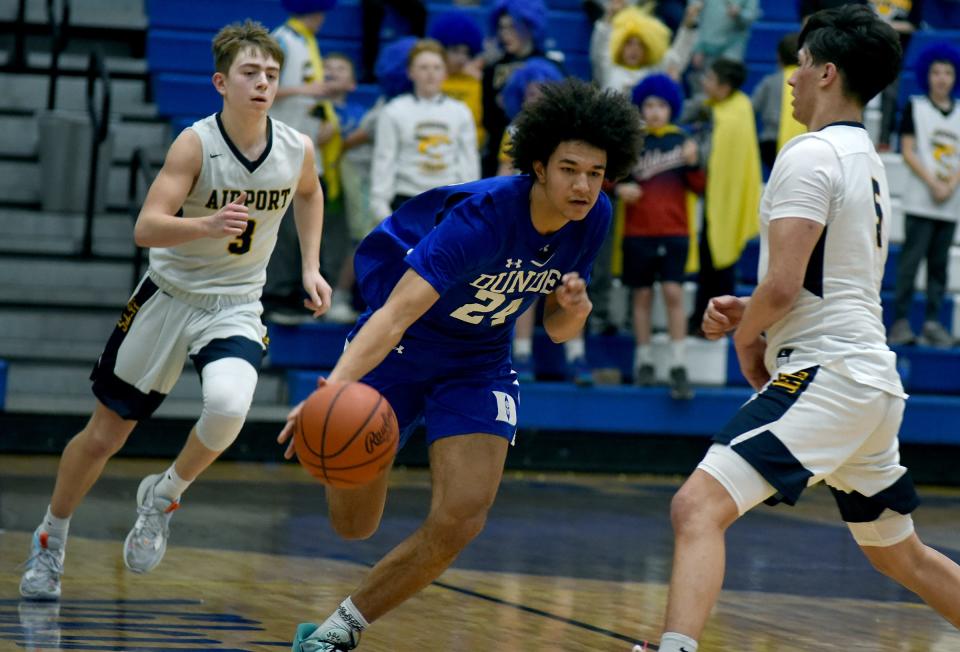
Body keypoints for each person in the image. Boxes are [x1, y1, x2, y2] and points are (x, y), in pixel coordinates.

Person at [635, 7, 960, 651]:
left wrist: (748, 335)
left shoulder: (808, 152)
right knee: (902, 557)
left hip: (831, 373)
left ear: (828, 73)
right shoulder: (864, 156)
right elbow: (811, 280)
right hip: (868, 380)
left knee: (696, 507)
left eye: (803, 63)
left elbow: (783, 285)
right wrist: (757, 315)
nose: (792, 77)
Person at [279, 78, 643, 652]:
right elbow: (395, 314)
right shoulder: (481, 220)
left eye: (595, 174)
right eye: (570, 169)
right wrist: (331, 390)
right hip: (402, 351)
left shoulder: (593, 217)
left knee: (463, 517)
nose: (582, 185)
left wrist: (576, 308)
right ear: (539, 167)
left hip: (478, 362)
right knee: (354, 525)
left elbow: (555, 327)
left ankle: (334, 633)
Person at [18, 20, 331, 600]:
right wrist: (205, 225)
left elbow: (309, 192)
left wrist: (311, 265)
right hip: (168, 296)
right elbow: (144, 227)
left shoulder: (296, 147)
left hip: (236, 303)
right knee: (104, 435)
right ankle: (49, 540)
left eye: (271, 74)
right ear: (221, 82)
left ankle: (162, 496)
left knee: (230, 404)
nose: (263, 83)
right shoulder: (196, 143)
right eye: (250, 73)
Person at [618, 73, 705, 398]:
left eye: (661, 105)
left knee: (673, 294)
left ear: (672, 108)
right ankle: (644, 361)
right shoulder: (631, 143)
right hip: (637, 233)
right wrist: (619, 188)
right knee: (640, 297)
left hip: (675, 232)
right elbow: (612, 180)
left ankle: (678, 364)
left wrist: (695, 164)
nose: (654, 112)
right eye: (649, 105)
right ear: (640, 107)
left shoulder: (682, 142)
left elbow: (699, 187)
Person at [264, 0, 342, 324]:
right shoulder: (283, 39)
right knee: (284, 225)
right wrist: (311, 90)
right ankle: (277, 293)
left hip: (306, 146)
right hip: (284, 142)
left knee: (304, 223)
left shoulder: (305, 42)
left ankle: (300, 290)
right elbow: (265, 84)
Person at [888, 42, 960, 348]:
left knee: (939, 267)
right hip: (920, 199)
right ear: (926, 75)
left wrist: (950, 184)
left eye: (947, 72)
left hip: (950, 201)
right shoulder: (915, 107)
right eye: (936, 72)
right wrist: (933, 182)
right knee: (910, 264)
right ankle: (900, 322)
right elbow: (907, 150)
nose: (942, 78)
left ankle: (932, 323)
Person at [369, 39, 480, 221]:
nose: (431, 74)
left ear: (445, 72)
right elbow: (384, 160)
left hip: (447, 202)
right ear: (410, 72)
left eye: (437, 67)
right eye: (423, 67)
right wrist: (380, 207)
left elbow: (469, 162)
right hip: (406, 200)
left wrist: (469, 203)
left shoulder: (460, 112)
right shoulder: (393, 111)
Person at [751, 32, 806, 172]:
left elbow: (751, 108)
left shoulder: (769, 81)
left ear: (778, 57)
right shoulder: (810, 82)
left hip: (770, 142)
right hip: (803, 142)